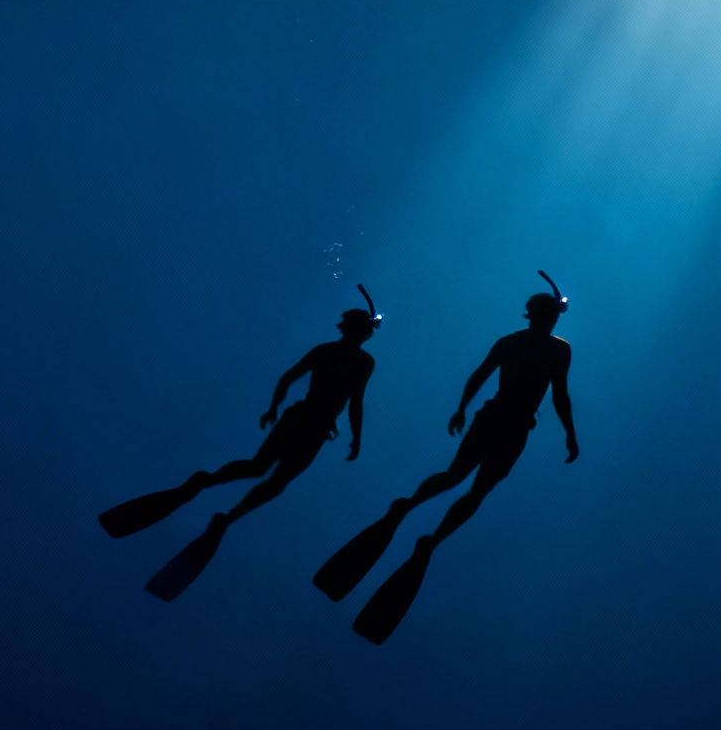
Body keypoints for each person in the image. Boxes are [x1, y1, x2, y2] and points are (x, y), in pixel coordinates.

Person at [313, 272, 578, 640]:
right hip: (510, 425)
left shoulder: (517, 343)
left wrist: (463, 408)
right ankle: (427, 533)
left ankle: (409, 510)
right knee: (474, 488)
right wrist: (569, 435)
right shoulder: (556, 349)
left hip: (499, 420)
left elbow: (484, 377)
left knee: (459, 478)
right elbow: (552, 393)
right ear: (549, 315)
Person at [98, 290, 379, 599]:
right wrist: (356, 437)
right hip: (310, 426)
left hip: (304, 421)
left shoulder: (326, 351)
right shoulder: (361, 361)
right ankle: (222, 508)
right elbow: (354, 401)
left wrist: (274, 408)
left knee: (261, 471)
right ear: (359, 330)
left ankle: (208, 487)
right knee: (272, 478)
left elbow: (290, 379)